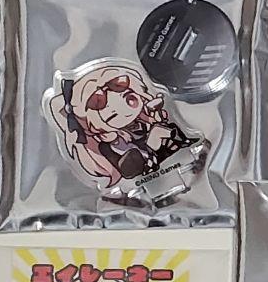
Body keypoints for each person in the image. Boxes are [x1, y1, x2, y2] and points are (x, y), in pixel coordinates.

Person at [45, 61, 198, 192]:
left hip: (168, 160)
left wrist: (154, 113)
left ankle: (183, 145)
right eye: (112, 115)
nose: (125, 112)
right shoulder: (110, 142)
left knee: (162, 132)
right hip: (141, 164)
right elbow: (124, 158)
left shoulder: (141, 121)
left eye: (129, 99)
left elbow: (157, 118)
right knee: (158, 134)